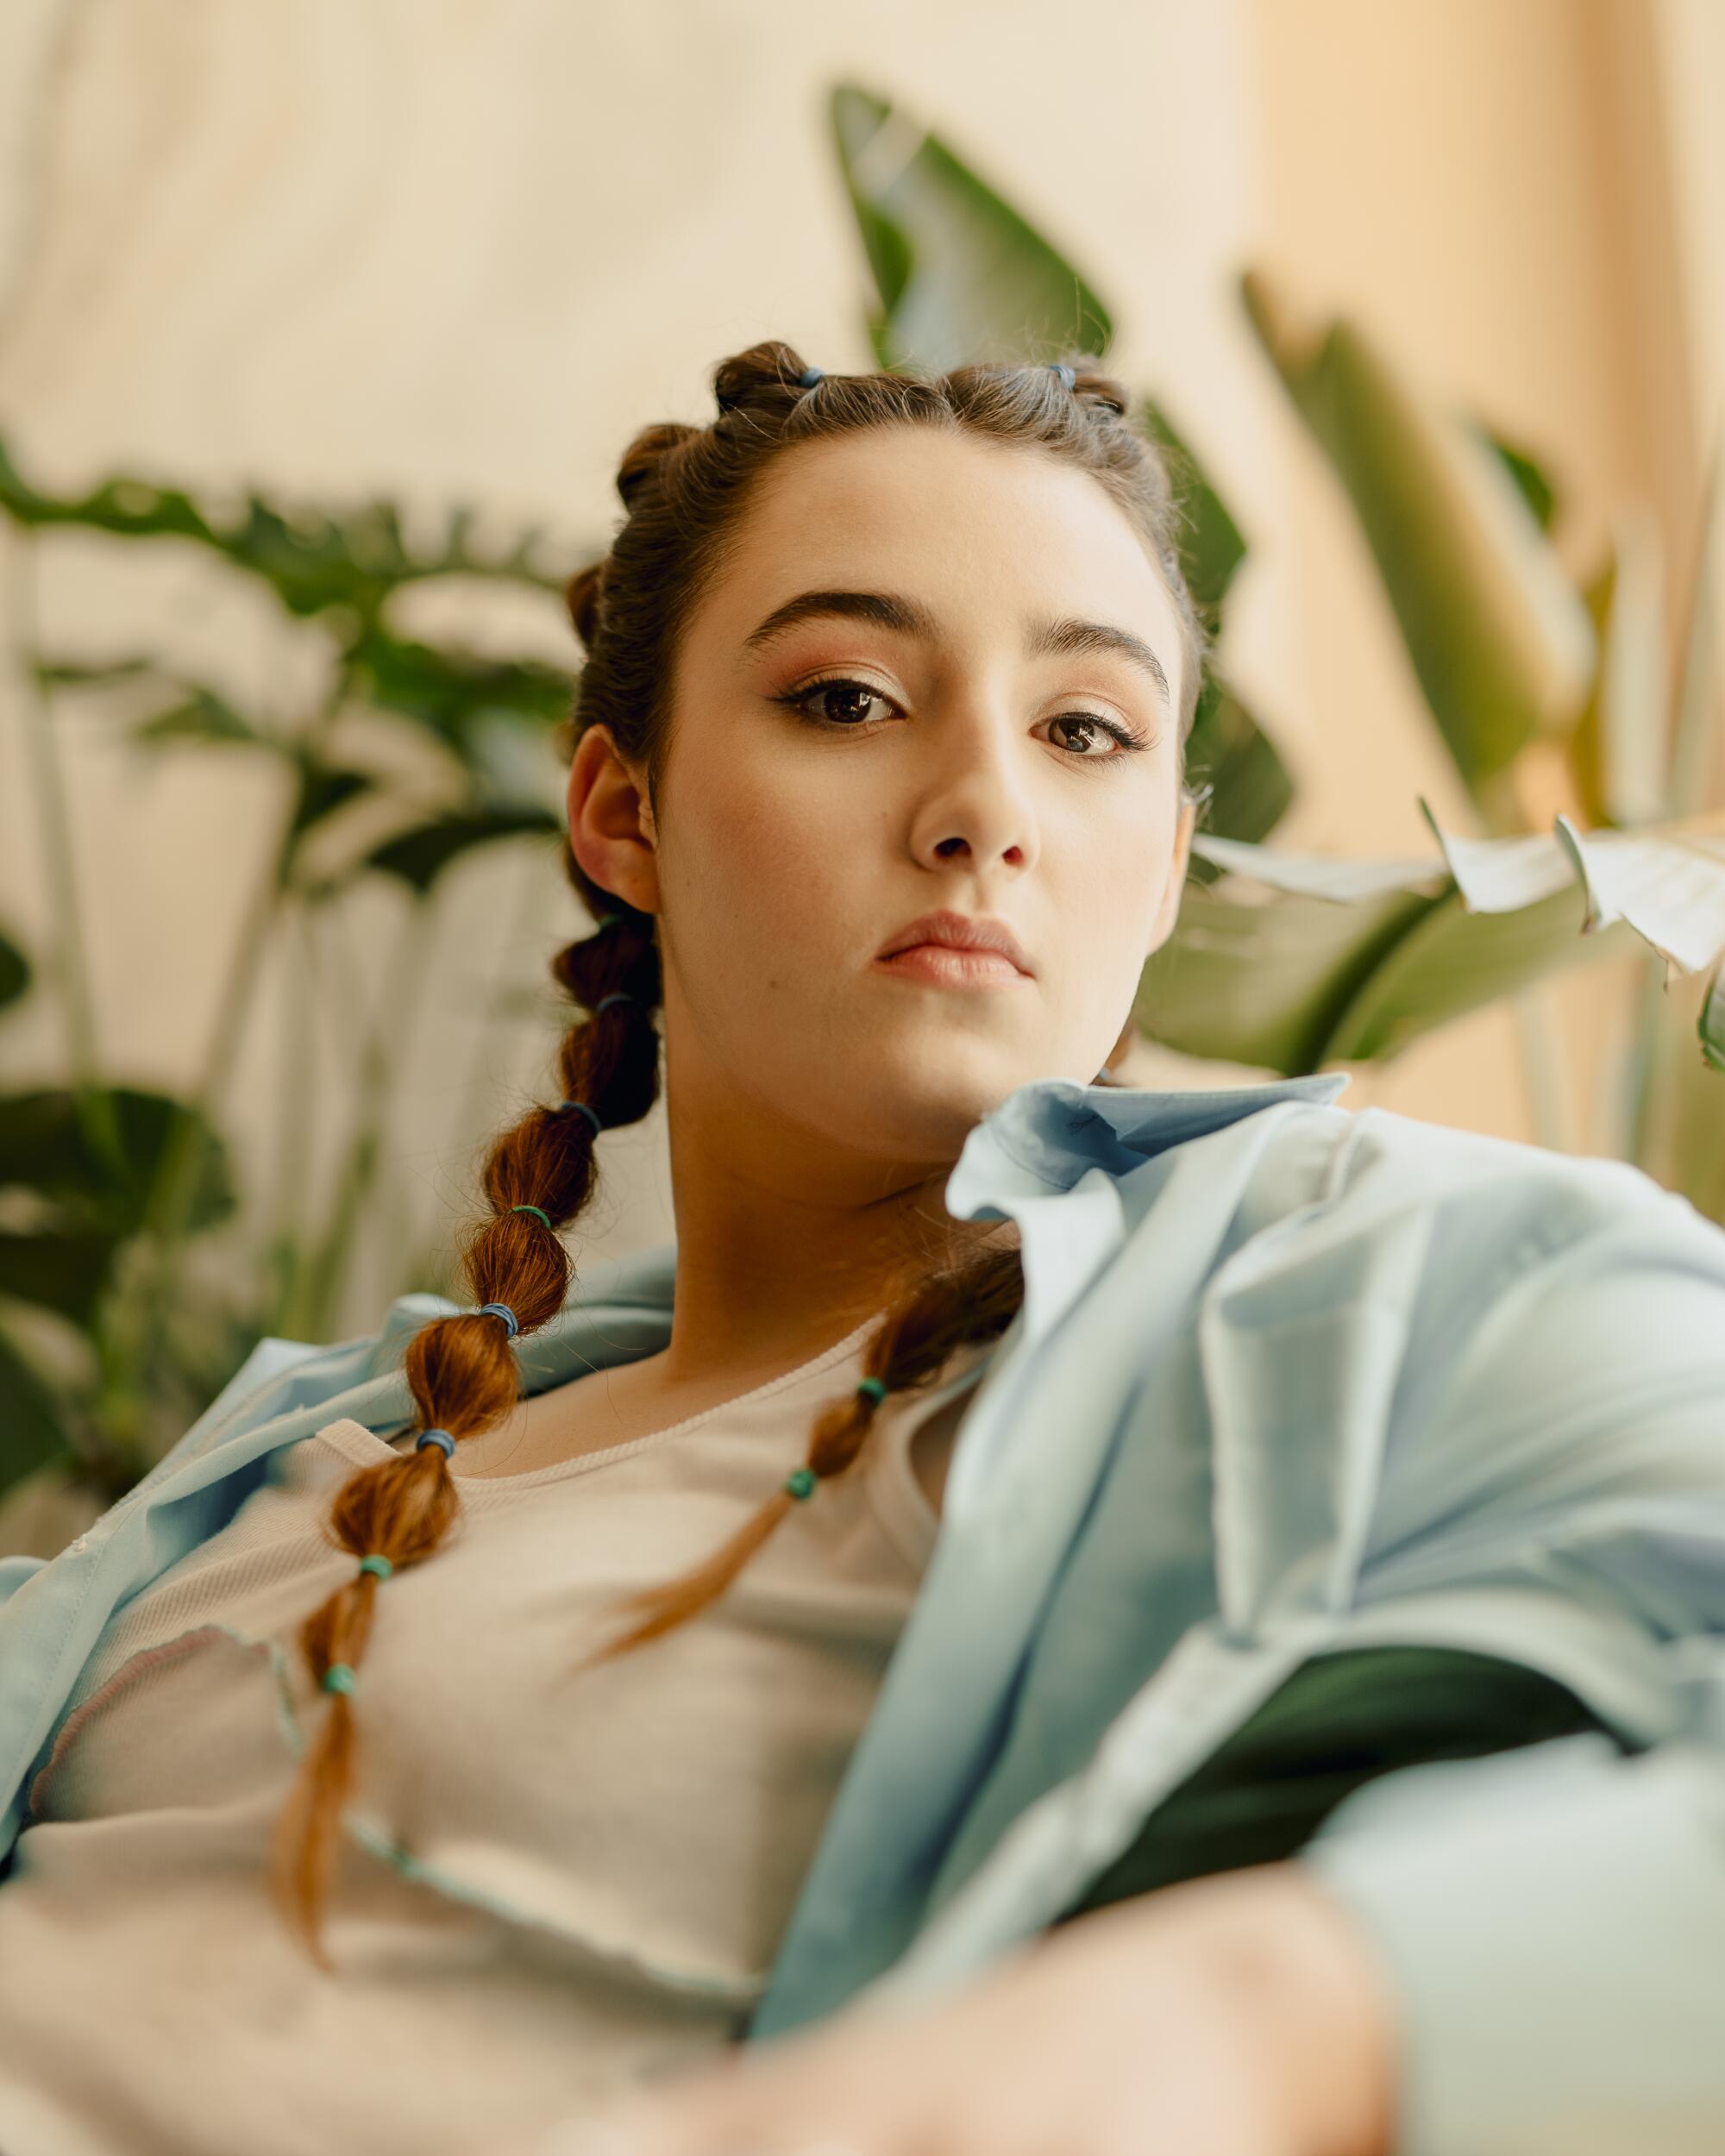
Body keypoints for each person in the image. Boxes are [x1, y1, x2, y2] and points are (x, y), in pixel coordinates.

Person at [2, 342, 1724, 2156]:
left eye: (1085, 730)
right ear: (622, 811)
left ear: (1161, 866)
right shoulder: (336, 1424)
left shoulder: (1346, 1273)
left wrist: (1259, 2010)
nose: (982, 803)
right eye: (845, 697)